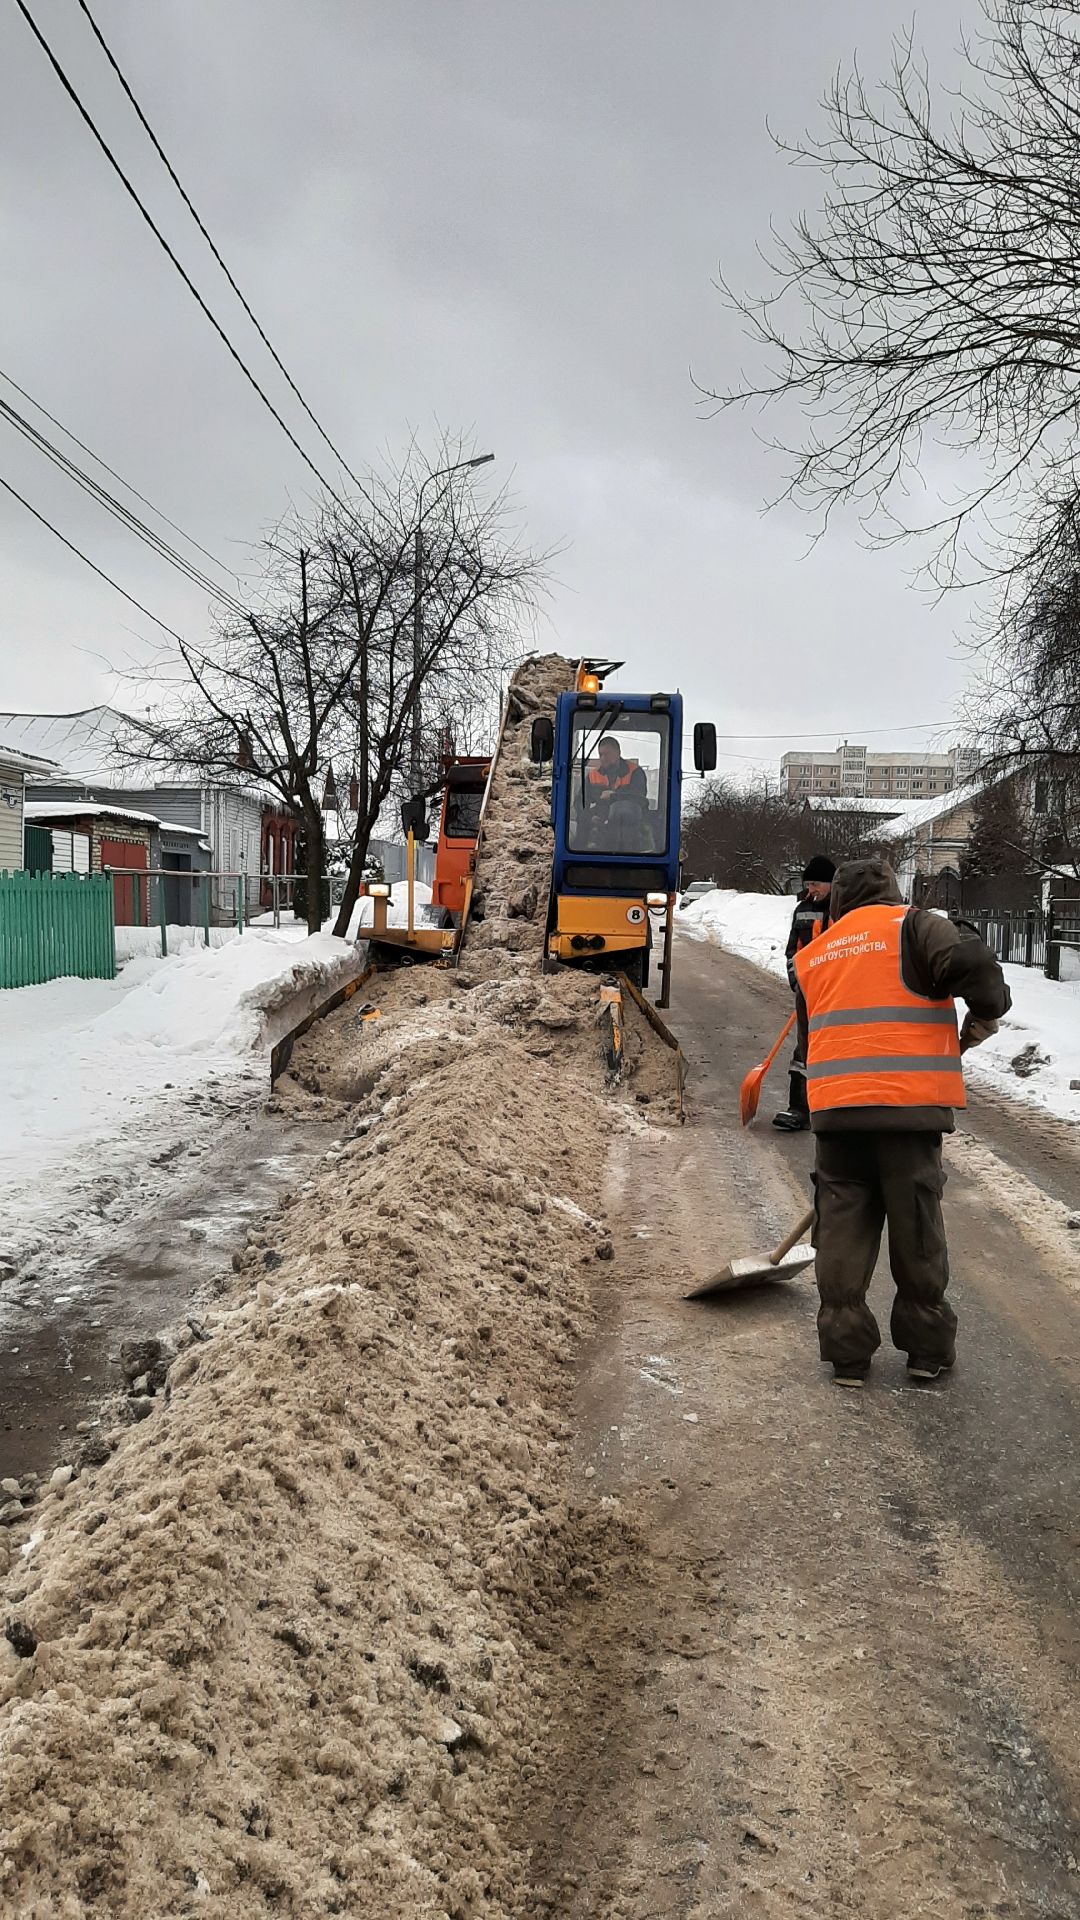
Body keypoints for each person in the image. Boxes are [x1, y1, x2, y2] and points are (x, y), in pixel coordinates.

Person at [793, 857, 1009, 1389]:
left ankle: (847, 1356)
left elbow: (811, 1039)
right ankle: (925, 1352)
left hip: (837, 1113)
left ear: (838, 899)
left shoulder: (816, 951)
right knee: (916, 1231)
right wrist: (985, 1014)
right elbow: (974, 962)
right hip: (907, 1112)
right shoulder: (915, 927)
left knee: (841, 1229)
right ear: (891, 890)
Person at [773, 855, 837, 1131]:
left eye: (816, 884)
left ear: (832, 884)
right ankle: (798, 1108)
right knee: (804, 1048)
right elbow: (793, 951)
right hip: (809, 992)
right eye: (808, 884)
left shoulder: (846, 911)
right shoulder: (802, 910)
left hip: (838, 993)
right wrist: (796, 981)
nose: (811, 889)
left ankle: (836, 1107)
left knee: (836, 1048)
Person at [584, 735, 648, 849]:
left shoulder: (635, 772)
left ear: (618, 752)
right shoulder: (592, 775)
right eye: (601, 754)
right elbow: (580, 803)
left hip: (629, 827)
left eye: (607, 754)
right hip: (600, 825)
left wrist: (613, 797)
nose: (603, 758)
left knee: (622, 809)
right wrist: (590, 817)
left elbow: (639, 798)